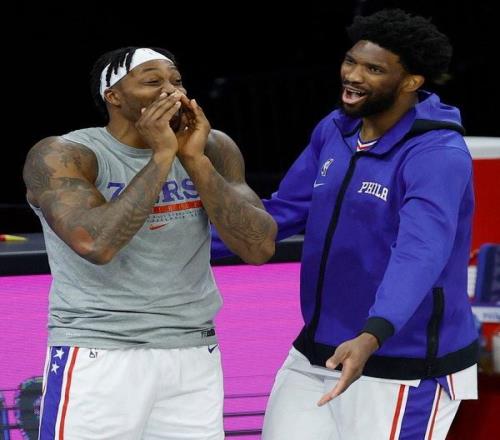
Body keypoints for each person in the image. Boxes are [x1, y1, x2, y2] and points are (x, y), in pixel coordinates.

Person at [211, 8, 479, 439]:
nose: (353, 75)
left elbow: (420, 252)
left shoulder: (437, 154)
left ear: (411, 82)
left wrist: (373, 334)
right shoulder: (335, 130)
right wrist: (178, 244)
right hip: (318, 351)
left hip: (403, 364)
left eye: (374, 69)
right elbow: (282, 212)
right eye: (351, 61)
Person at [23, 46, 277, 440]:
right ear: (113, 96)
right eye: (152, 82)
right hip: (100, 351)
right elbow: (97, 245)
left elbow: (258, 248)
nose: (172, 92)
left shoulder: (211, 147)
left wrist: (194, 161)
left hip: (193, 350)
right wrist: (161, 156)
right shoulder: (64, 153)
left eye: (177, 81)